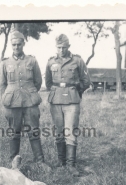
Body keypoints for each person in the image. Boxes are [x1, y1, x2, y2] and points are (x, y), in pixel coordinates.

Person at [45, 34, 91, 176]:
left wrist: (76, 92)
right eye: (59, 47)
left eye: (64, 47)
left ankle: (71, 164)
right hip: (56, 100)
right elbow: (48, 82)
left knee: (70, 132)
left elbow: (86, 80)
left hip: (72, 100)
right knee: (59, 132)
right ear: (56, 47)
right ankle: (61, 162)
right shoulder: (50, 61)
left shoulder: (77, 60)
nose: (61, 50)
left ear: (69, 46)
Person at [0, 31, 45, 164]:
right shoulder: (5, 63)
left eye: (19, 44)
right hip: (12, 103)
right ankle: (14, 162)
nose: (16, 47)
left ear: (23, 43)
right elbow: (2, 85)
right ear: (11, 46)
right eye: (14, 45)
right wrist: (7, 99)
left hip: (30, 102)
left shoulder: (32, 60)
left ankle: (40, 161)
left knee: (34, 131)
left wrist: (30, 93)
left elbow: (38, 81)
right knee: (14, 133)